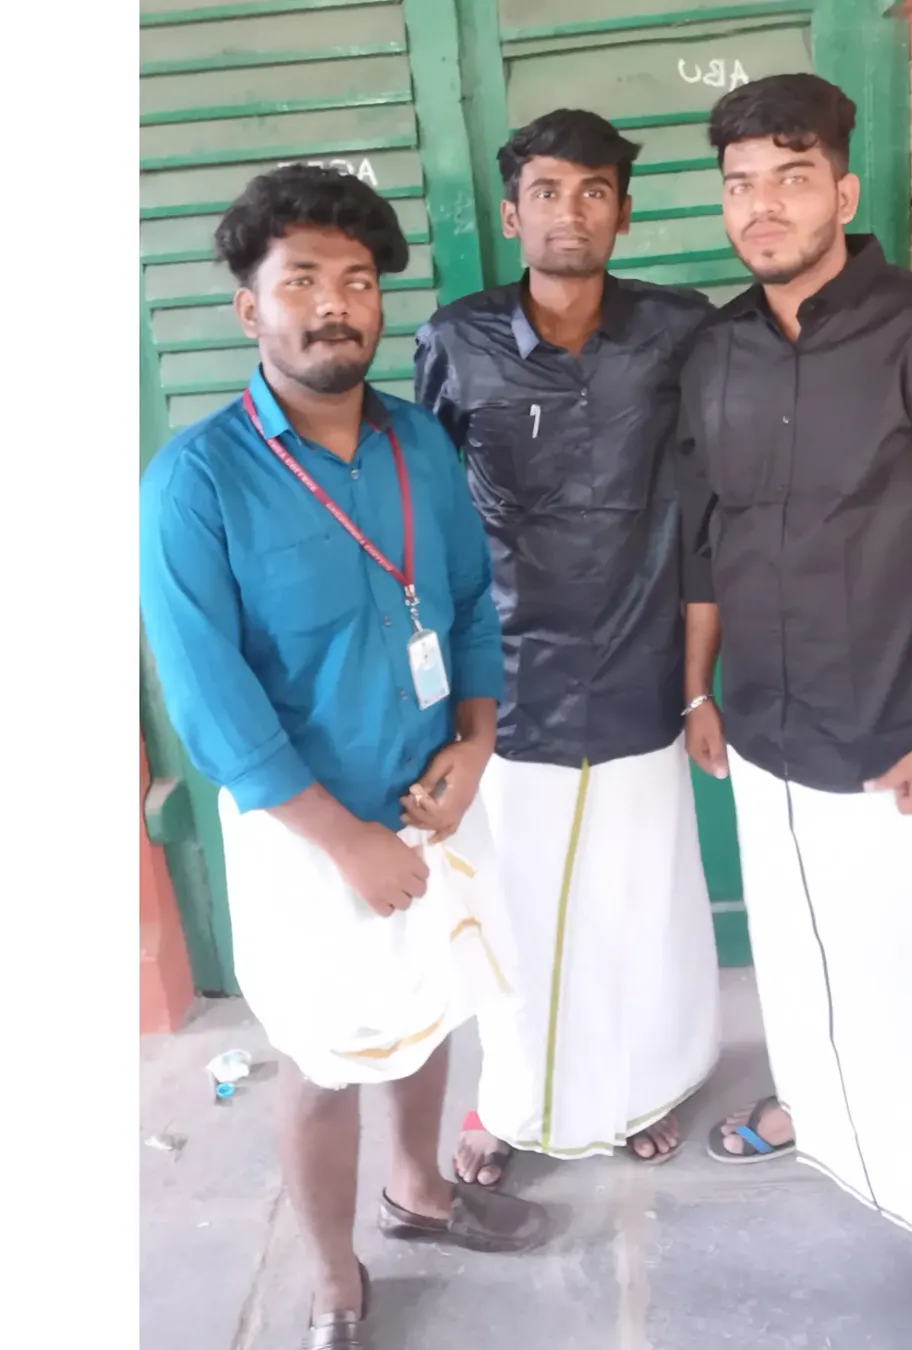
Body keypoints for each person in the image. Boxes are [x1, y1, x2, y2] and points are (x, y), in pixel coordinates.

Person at [140, 164, 546, 1350]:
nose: (334, 304)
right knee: (321, 1061)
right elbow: (211, 705)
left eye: (358, 281)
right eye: (302, 280)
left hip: (433, 797)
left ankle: (419, 1192)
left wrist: (476, 740)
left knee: (430, 1011)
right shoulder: (195, 483)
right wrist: (345, 841)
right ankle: (331, 1278)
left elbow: (467, 607)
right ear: (249, 308)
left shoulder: (418, 442)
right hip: (303, 832)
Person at [415, 109, 722, 1186]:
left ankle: (644, 1087)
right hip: (507, 680)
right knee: (515, 905)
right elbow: (428, 520)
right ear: (513, 214)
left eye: (594, 191)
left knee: (640, 899)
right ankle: (507, 1102)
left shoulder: (679, 331)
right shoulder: (458, 341)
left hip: (641, 667)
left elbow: (709, 502)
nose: (570, 212)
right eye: (547, 191)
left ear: (623, 213)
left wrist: (698, 685)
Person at [677, 71, 912, 1326]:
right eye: (741, 185)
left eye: (791, 178)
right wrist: (697, 690)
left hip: (902, 741)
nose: (763, 207)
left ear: (843, 188)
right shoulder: (715, 351)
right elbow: (707, 532)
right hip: (765, 731)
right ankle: (818, 1110)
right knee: (798, 950)